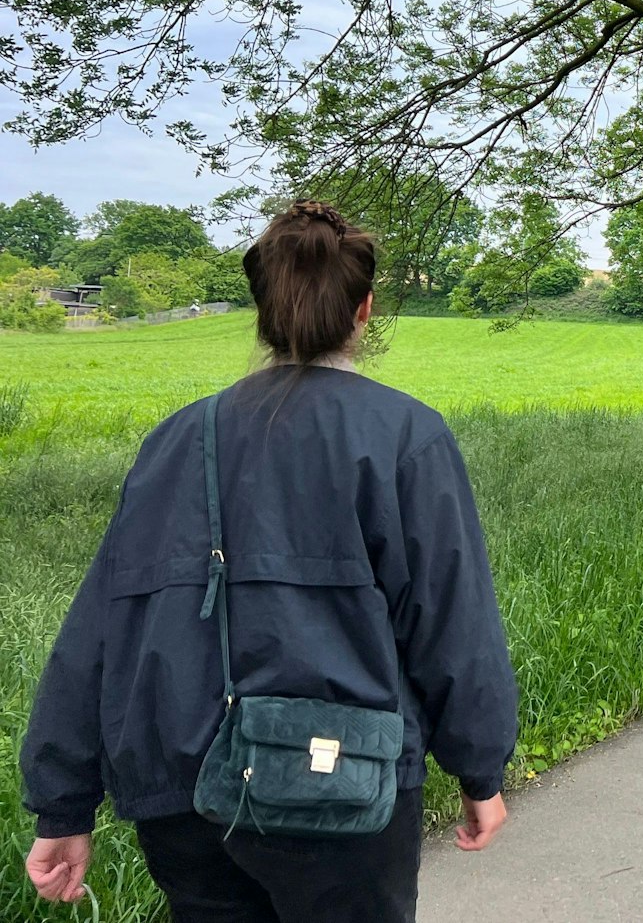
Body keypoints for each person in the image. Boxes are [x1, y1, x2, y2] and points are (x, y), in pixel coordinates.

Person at [21, 201, 519, 923]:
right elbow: (451, 618)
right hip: (343, 782)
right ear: (365, 310)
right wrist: (479, 766)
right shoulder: (406, 435)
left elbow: (103, 624)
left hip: (186, 789)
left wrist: (62, 800)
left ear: (262, 310)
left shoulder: (173, 442)